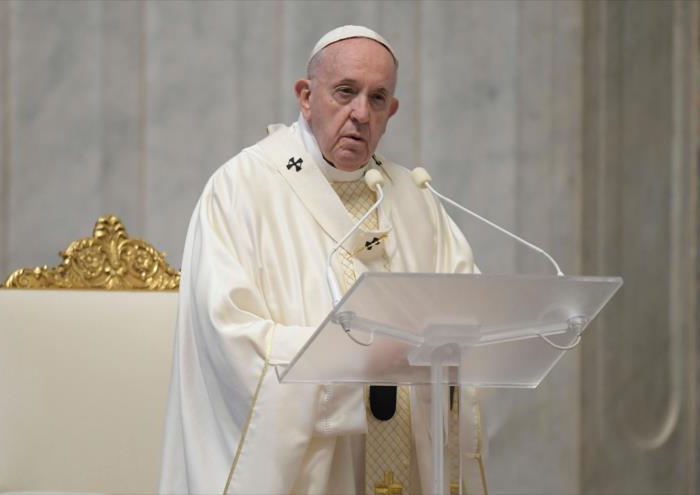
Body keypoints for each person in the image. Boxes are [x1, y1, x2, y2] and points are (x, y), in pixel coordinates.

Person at [159, 26, 486, 495]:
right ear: (306, 97)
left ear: (391, 112)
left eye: (377, 99)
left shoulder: (414, 200)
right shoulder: (243, 189)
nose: (360, 114)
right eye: (345, 92)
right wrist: (360, 360)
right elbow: (230, 339)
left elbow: (468, 313)